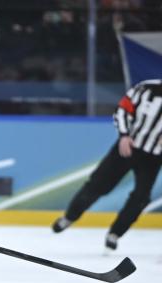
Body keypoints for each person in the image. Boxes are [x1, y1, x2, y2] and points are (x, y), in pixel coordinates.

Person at [52, 79, 162, 250]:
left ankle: (115, 233)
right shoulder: (147, 88)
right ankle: (70, 217)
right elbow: (123, 110)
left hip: (154, 156)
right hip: (128, 146)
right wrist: (124, 135)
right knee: (98, 185)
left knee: (141, 197)